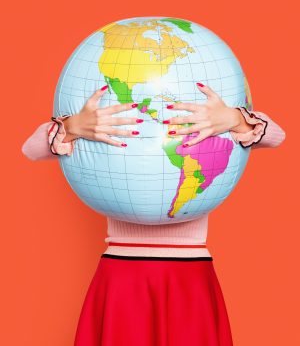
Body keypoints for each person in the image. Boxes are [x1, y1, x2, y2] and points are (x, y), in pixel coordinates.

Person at [22, 82, 286, 346]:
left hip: (189, 277)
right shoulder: (111, 120)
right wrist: (71, 127)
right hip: (122, 275)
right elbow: (30, 149)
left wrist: (234, 119)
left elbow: (277, 136)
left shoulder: (204, 119)